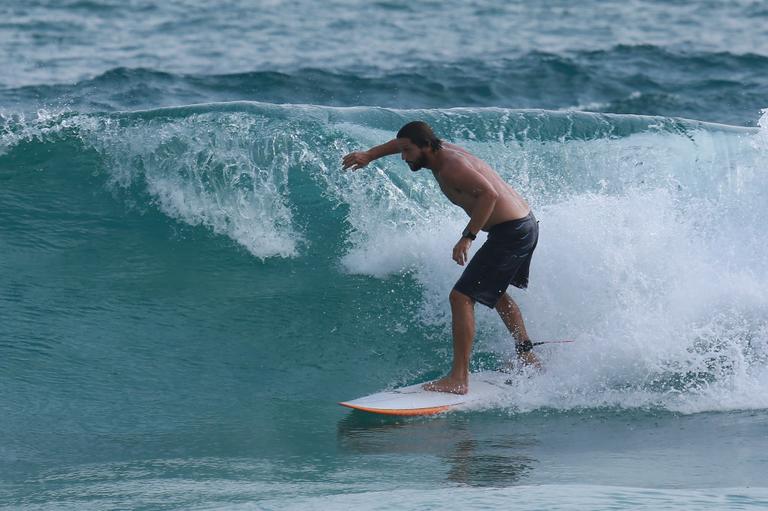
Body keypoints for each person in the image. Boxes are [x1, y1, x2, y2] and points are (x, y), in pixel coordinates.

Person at [342, 121, 541, 394]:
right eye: (402, 150)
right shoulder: (437, 149)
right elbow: (400, 142)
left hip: (512, 232)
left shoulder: (451, 167)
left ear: (425, 147)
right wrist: (369, 155)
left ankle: (459, 378)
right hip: (521, 225)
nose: (403, 157)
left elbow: (489, 195)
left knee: (460, 297)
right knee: (495, 292)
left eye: (408, 151)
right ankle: (526, 355)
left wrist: (467, 237)